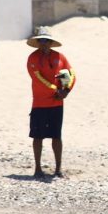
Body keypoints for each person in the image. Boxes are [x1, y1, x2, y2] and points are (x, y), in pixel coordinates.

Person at [26, 26, 76, 178]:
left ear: (50, 42)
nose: (44, 43)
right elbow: (38, 78)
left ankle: (58, 169)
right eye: (41, 41)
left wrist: (66, 90)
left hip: (57, 103)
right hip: (40, 103)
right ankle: (38, 169)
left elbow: (71, 73)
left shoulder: (60, 57)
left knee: (56, 136)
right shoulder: (33, 58)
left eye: (46, 41)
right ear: (38, 42)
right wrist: (56, 90)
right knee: (38, 136)